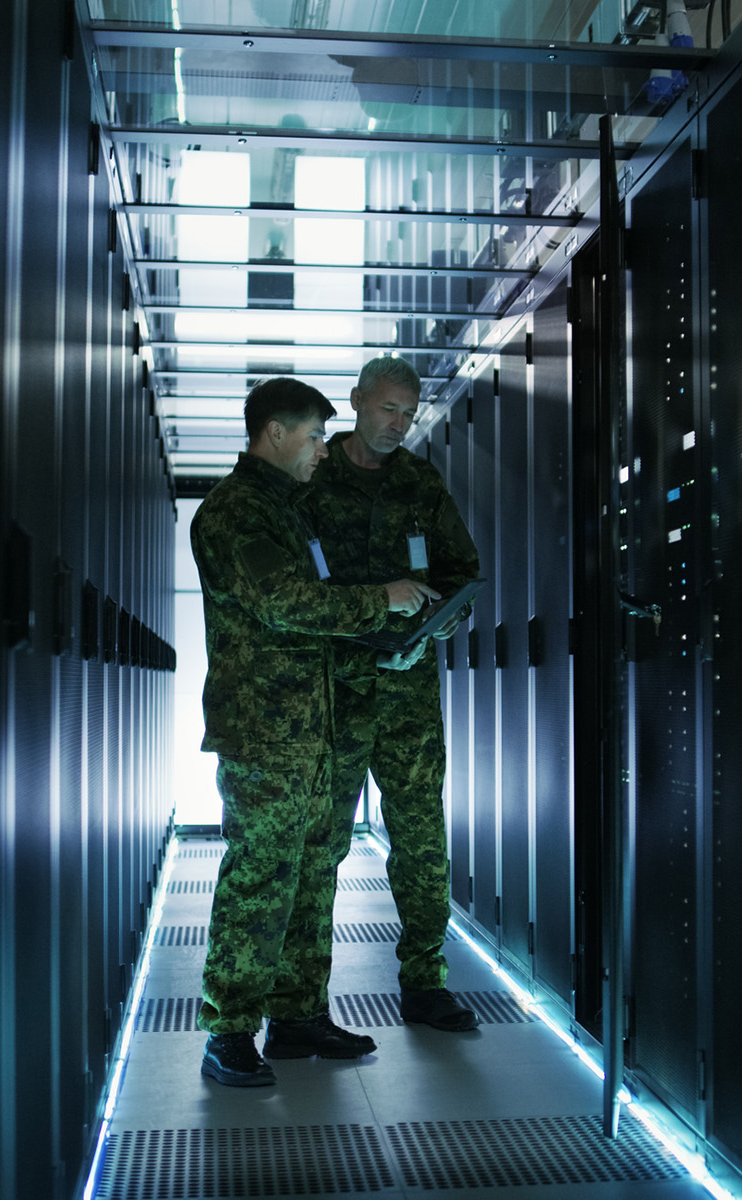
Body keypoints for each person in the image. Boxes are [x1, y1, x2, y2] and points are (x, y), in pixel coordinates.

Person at [191, 376, 437, 1087]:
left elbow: (316, 614)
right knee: (261, 876)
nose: (323, 453)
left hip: (316, 726)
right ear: (275, 433)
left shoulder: (286, 512)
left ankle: (297, 1014)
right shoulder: (235, 514)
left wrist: (391, 636)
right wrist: (380, 600)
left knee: (313, 871)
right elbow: (283, 603)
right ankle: (230, 1028)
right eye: (314, 437)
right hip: (265, 734)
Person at [298, 355, 482, 1032]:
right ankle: (303, 1003)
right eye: (387, 409)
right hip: (335, 688)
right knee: (321, 842)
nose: (398, 424)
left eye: (408, 413)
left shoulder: (419, 481)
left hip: (407, 688)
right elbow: (288, 592)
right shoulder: (312, 480)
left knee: (421, 837)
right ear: (355, 401)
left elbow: (464, 574)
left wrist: (442, 620)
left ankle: (425, 983)